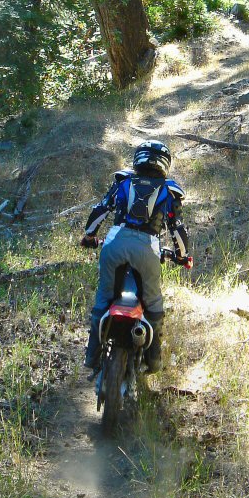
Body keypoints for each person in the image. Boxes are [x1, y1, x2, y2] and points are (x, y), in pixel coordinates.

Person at [80, 140, 192, 374]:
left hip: (115, 243)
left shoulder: (123, 181)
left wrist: (89, 237)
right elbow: (178, 230)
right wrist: (183, 256)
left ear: (137, 159)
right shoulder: (169, 190)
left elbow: (100, 211)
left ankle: (91, 357)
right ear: (165, 163)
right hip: (147, 249)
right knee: (153, 304)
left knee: (103, 299)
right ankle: (154, 360)